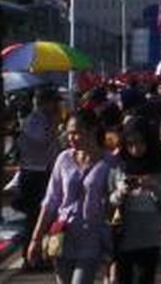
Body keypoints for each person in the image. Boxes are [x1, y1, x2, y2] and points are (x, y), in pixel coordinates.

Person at [28, 108, 114, 284]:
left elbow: (117, 200)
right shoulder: (63, 159)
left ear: (92, 130)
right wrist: (36, 239)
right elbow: (51, 200)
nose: (71, 138)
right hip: (62, 236)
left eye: (76, 133)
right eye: (68, 133)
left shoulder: (110, 162)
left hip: (92, 237)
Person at [108, 117, 161, 284]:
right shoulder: (119, 164)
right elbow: (109, 199)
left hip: (149, 234)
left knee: (144, 278)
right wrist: (122, 191)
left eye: (140, 143)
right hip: (123, 231)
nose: (135, 149)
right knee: (123, 278)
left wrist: (154, 187)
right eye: (130, 144)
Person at [17, 87, 62, 268]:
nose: (57, 107)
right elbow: (43, 141)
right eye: (54, 103)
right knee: (34, 217)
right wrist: (54, 124)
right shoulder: (33, 121)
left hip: (45, 171)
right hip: (34, 173)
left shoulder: (44, 120)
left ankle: (40, 254)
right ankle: (29, 258)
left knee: (46, 215)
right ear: (44, 102)